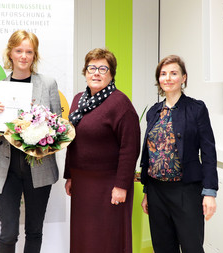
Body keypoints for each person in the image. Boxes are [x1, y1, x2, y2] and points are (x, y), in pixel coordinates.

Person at [0, 30, 61, 253]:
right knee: (9, 233)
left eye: (29, 51)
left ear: (34, 55)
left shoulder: (48, 84)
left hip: (38, 167)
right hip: (6, 168)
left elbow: (58, 127)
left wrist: (43, 124)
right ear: (10, 52)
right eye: (19, 50)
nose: (24, 56)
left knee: (34, 231)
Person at [64, 48, 140, 253]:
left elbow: (130, 148)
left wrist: (122, 185)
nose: (96, 73)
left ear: (111, 74)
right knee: (85, 237)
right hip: (83, 184)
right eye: (91, 68)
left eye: (102, 68)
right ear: (85, 72)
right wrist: (70, 176)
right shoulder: (78, 100)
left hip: (109, 186)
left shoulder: (120, 103)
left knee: (107, 239)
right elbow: (71, 139)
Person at [140, 55, 218, 253]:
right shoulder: (154, 112)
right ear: (158, 79)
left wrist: (209, 192)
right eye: (163, 74)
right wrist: (147, 192)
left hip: (186, 191)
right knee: (163, 247)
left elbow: (208, 152)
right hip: (157, 191)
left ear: (183, 78)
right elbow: (150, 153)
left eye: (174, 73)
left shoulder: (196, 108)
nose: (168, 78)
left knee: (192, 246)